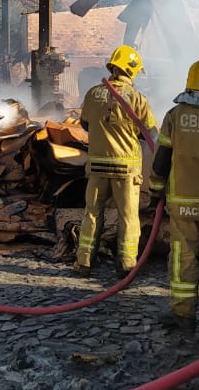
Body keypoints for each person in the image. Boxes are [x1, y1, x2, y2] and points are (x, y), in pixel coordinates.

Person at [148, 57, 199, 333]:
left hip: (183, 203)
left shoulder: (175, 116)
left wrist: (154, 190)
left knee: (184, 257)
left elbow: (162, 159)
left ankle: (184, 314)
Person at [74, 44, 157, 277]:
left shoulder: (92, 94)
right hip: (126, 169)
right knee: (128, 217)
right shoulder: (138, 98)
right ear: (131, 70)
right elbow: (151, 132)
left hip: (98, 166)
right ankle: (127, 264)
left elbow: (85, 124)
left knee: (92, 212)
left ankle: (84, 261)